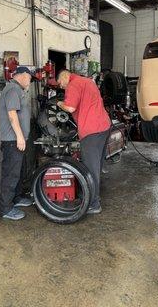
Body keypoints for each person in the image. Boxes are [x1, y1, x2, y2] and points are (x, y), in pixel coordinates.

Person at [57, 70, 111, 214]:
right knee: (96, 166)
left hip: (91, 130)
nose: (61, 87)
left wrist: (59, 102)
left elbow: (70, 107)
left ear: (65, 77)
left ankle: (93, 204)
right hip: (104, 126)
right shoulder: (87, 81)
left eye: (60, 83)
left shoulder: (73, 85)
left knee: (90, 168)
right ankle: (89, 195)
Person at [0, 66, 33, 221]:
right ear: (23, 75)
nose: (30, 81)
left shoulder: (17, 90)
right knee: (11, 173)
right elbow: (12, 115)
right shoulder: (12, 89)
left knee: (18, 171)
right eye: (30, 78)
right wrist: (19, 137)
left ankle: (16, 198)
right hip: (13, 141)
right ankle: (6, 208)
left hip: (18, 140)